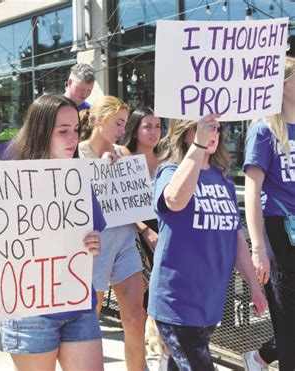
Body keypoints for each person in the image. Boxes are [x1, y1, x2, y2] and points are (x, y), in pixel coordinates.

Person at [0, 94, 105, 371]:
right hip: (28, 312)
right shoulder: (5, 182)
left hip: (77, 305)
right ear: (41, 131)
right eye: (63, 131)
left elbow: (91, 244)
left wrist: (93, 245)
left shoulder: (78, 180)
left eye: (75, 130)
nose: (72, 138)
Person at [148, 114, 268, 370]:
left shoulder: (222, 178)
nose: (213, 132)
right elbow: (174, 200)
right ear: (184, 133)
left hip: (209, 304)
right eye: (203, 127)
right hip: (177, 303)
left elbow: (234, 235)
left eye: (216, 128)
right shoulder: (169, 172)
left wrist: (254, 286)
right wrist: (198, 147)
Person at [79, 96, 147, 371]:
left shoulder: (125, 153)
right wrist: (102, 171)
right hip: (94, 246)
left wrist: (144, 230)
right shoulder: (78, 154)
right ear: (99, 120)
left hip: (124, 242)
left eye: (124, 124)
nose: (122, 130)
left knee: (135, 317)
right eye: (118, 123)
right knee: (89, 321)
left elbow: (134, 202)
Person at [243, 56, 295, 371]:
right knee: (287, 323)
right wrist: (258, 248)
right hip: (279, 230)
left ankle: (261, 357)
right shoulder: (264, 129)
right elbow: (251, 190)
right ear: (283, 84)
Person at [121, 107, 168, 370]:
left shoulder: (167, 159)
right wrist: (143, 229)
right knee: (140, 308)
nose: (154, 132)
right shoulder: (125, 159)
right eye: (148, 126)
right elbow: (121, 205)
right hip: (138, 238)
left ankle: (162, 354)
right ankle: (148, 358)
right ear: (136, 129)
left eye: (158, 126)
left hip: (167, 235)